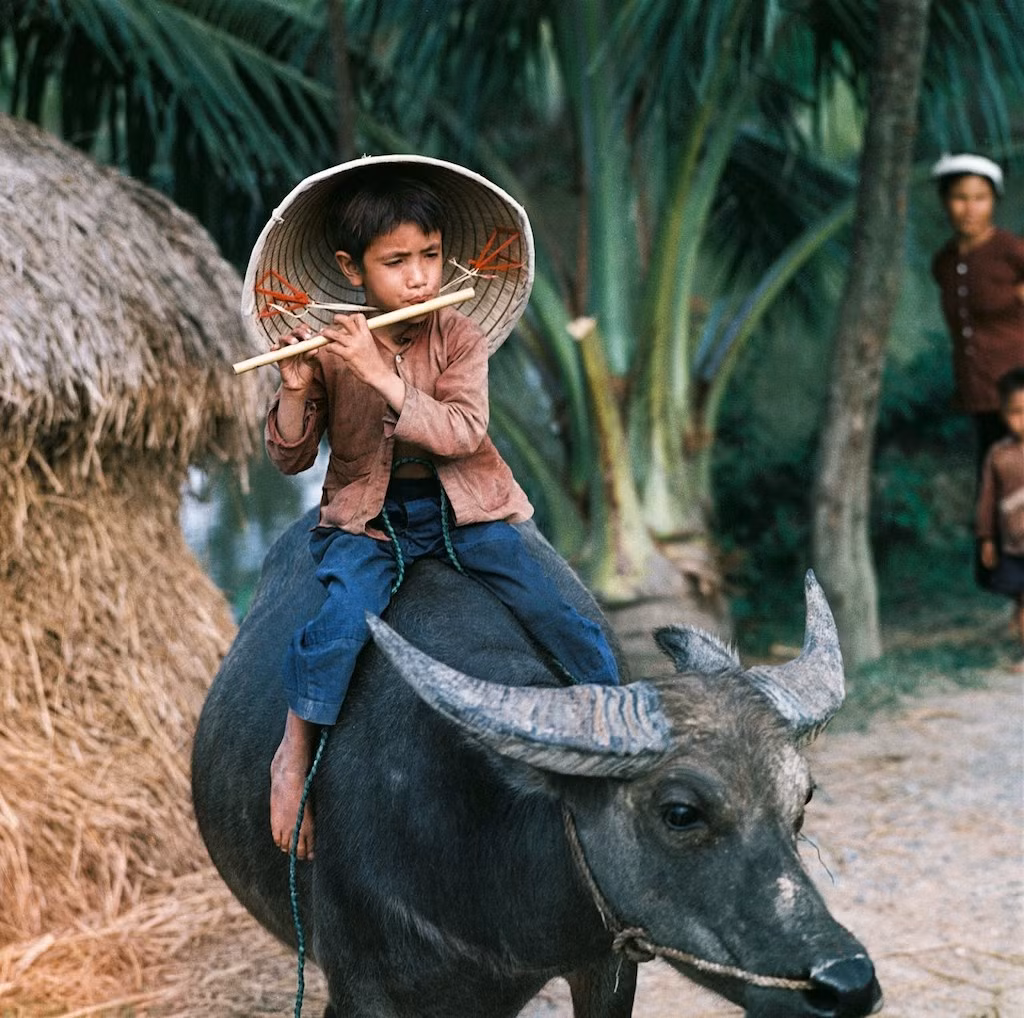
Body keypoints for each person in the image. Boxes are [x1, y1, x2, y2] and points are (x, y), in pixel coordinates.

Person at [246, 157, 620, 860]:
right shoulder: (333, 345)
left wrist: (381, 378)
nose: (419, 277)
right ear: (353, 270)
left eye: (430, 256)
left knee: (562, 612)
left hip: (467, 510)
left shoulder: (458, 336)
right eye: (396, 262)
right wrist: (297, 388)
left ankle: (619, 735)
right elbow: (291, 458)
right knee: (334, 626)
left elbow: (461, 433)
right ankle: (291, 758)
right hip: (370, 521)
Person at [930, 153, 1024, 474]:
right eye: (960, 198)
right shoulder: (944, 262)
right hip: (980, 392)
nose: (970, 209)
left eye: (980, 198)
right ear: (944, 201)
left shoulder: (1013, 254)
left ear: (994, 201)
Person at [976, 367, 1024, 672]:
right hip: (1013, 544)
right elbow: (987, 501)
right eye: (1016, 412)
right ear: (1004, 414)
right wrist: (987, 538)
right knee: (1020, 598)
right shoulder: (998, 455)